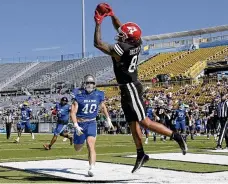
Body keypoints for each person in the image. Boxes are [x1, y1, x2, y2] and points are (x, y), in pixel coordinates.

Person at [93, 3, 187, 173]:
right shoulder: (136, 42)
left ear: (128, 39)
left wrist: (99, 22)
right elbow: (122, 29)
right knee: (132, 123)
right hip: (126, 87)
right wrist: (112, 15)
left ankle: (177, 136)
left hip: (130, 88)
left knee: (144, 121)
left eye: (122, 36)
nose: (119, 36)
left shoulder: (123, 48)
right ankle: (141, 154)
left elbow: (98, 44)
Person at [70, 74, 114, 177]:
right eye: (88, 82)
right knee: (77, 148)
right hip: (80, 123)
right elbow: (73, 112)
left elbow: (103, 107)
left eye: (92, 83)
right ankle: (77, 139)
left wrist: (108, 119)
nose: (90, 84)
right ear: (84, 83)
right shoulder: (78, 95)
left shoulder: (99, 94)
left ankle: (92, 167)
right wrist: (76, 125)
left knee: (91, 145)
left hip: (91, 123)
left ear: (95, 84)